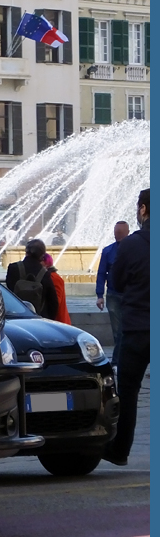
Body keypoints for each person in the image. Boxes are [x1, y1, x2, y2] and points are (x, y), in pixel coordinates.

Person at [104, 189, 149, 466]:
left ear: (143, 209)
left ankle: (120, 450)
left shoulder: (131, 245)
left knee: (129, 390)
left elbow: (116, 284)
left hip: (137, 329)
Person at [95, 220, 130, 366]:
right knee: (118, 331)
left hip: (130, 295)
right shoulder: (108, 251)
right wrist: (99, 295)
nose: (118, 235)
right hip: (113, 294)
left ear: (127, 232)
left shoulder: (133, 249)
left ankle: (119, 361)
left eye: (121, 232)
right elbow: (101, 273)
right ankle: (120, 361)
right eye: (116, 233)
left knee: (125, 330)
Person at [5, 238, 59, 320]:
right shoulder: (44, 273)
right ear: (42, 255)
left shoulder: (13, 268)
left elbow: (9, 289)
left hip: (16, 316)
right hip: (37, 317)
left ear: (26, 252)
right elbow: (53, 301)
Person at [43, 253, 72, 324]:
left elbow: (56, 302)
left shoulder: (54, 278)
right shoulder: (49, 277)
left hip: (58, 322)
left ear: (46, 263)